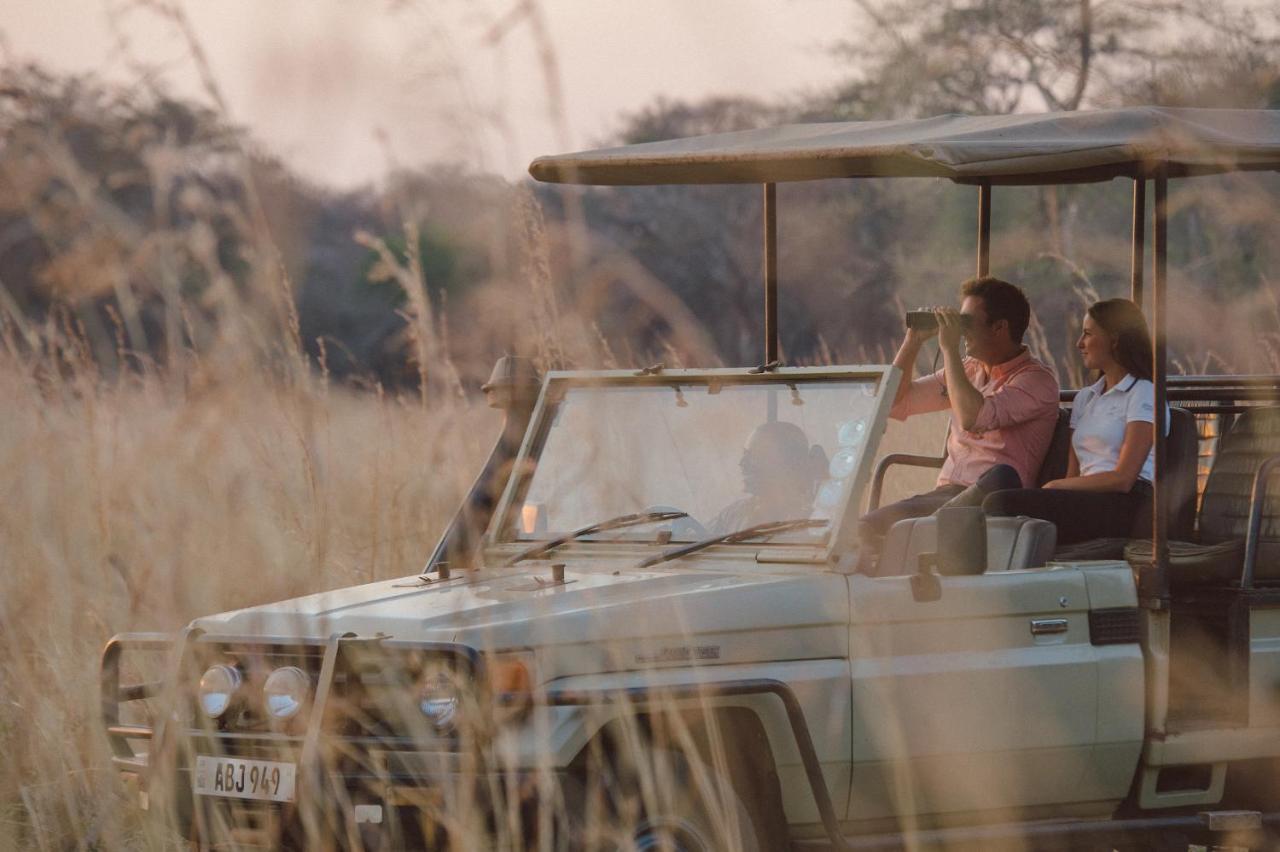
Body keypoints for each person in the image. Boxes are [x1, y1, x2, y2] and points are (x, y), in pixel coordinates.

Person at [858, 277, 1060, 561]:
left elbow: (972, 417)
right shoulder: (970, 370)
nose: (962, 332)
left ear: (1000, 327)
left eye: (968, 323)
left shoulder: (1036, 381)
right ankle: (912, 540)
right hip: (947, 497)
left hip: (990, 500)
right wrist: (912, 342)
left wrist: (950, 350)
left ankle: (917, 536)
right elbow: (893, 402)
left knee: (891, 532)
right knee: (863, 529)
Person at [983, 298, 1163, 545]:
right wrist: (1060, 488)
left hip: (1129, 504)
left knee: (1001, 503)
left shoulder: (1142, 392)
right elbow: (1073, 474)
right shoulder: (1085, 398)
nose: (1080, 343)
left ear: (1115, 339)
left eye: (1088, 334)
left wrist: (1057, 486)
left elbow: (1124, 478)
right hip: (1087, 501)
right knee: (997, 500)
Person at [710, 421, 826, 534]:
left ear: (788, 463)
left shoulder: (815, 522)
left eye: (755, 456)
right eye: (745, 454)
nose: (742, 463)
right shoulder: (733, 515)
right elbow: (701, 542)